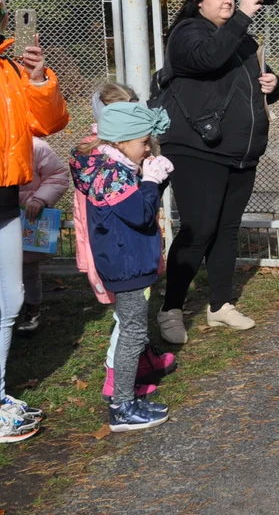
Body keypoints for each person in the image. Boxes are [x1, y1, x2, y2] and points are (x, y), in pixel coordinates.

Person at [157, 0, 279, 343]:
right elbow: (210, 59)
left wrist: (275, 84)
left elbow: (259, 79)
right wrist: (243, 15)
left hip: (240, 151)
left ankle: (220, 305)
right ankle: (171, 309)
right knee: (199, 230)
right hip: (198, 148)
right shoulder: (186, 33)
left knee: (227, 229)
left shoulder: (242, 38)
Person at [70, 102, 173, 432]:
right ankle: (122, 406)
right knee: (132, 334)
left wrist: (154, 180)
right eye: (143, 143)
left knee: (132, 331)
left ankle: (126, 398)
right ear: (122, 142)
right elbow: (141, 214)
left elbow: (141, 205)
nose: (147, 149)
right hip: (126, 263)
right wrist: (152, 181)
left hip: (127, 260)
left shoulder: (111, 166)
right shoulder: (112, 174)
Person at [0, 0, 68, 442]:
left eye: (4, 10)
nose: (6, 16)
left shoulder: (9, 69)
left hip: (5, 195)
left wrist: (39, 78)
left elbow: (47, 123)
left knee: (10, 297)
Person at [15, 137, 68, 335]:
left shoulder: (35, 146)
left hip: (28, 216)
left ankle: (32, 309)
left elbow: (58, 175)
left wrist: (40, 198)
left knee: (27, 268)